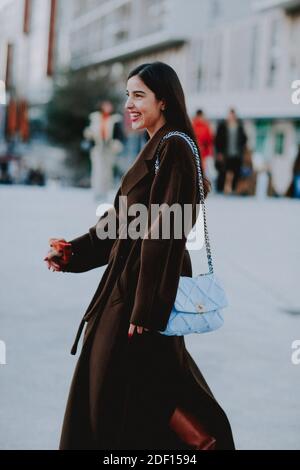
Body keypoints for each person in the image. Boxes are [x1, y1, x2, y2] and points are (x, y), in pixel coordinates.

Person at [44, 62, 235, 450]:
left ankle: (201, 442)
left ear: (163, 100)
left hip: (143, 293)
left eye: (138, 95)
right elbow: (121, 222)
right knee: (129, 385)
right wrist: (73, 253)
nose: (128, 104)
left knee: (124, 386)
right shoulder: (158, 146)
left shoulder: (175, 147)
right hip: (129, 288)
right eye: (127, 95)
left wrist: (146, 310)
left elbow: (165, 234)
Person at [83, 101, 124, 201]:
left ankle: (104, 192)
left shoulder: (115, 119)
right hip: (97, 147)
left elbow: (119, 134)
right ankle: (97, 192)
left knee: (107, 171)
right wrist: (89, 134)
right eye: (105, 105)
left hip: (109, 148)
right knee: (97, 169)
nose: (107, 107)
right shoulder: (95, 118)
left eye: (109, 105)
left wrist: (116, 143)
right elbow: (89, 131)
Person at [215, 108, 247, 194]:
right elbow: (218, 140)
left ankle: (232, 188)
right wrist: (219, 152)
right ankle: (223, 188)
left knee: (235, 171)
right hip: (225, 153)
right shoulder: (222, 126)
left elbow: (244, 139)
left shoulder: (239, 126)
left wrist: (242, 149)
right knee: (225, 171)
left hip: (236, 154)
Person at [192, 109, 214, 174]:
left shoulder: (192, 126)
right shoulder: (205, 126)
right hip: (203, 153)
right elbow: (210, 140)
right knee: (203, 172)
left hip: (196, 152)